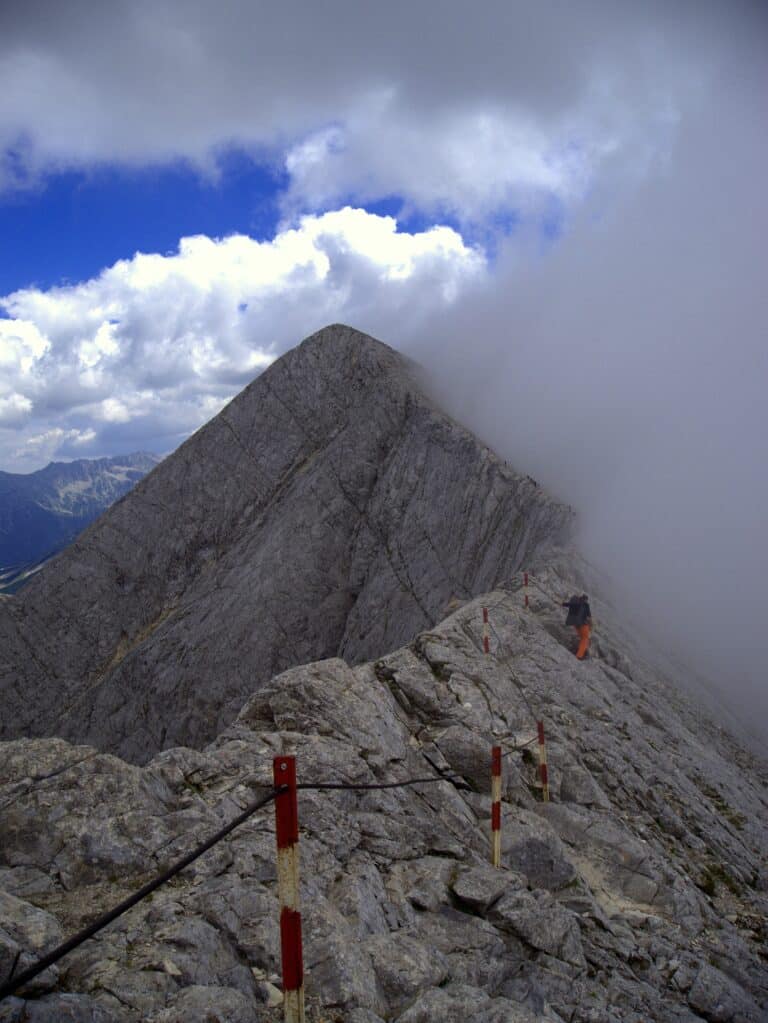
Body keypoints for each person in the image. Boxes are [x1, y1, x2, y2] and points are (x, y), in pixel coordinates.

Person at [561, 593, 592, 660]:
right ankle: (579, 655)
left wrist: (562, 603)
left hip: (576, 624)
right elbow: (589, 617)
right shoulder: (586, 605)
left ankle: (578, 651)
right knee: (585, 639)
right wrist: (591, 626)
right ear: (586, 599)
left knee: (581, 638)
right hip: (583, 625)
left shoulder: (577, 603)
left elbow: (570, 604)